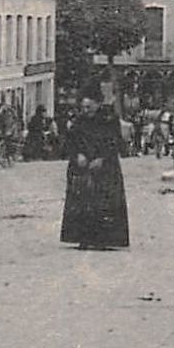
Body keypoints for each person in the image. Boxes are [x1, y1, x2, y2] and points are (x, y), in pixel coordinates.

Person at [59, 94, 130, 250]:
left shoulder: (109, 121)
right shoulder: (79, 121)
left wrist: (103, 158)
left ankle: (105, 239)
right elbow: (70, 141)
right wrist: (77, 154)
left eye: (89, 107)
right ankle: (81, 237)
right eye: (84, 107)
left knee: (104, 202)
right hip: (81, 168)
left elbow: (115, 142)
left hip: (106, 168)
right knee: (81, 201)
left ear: (98, 104)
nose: (86, 110)